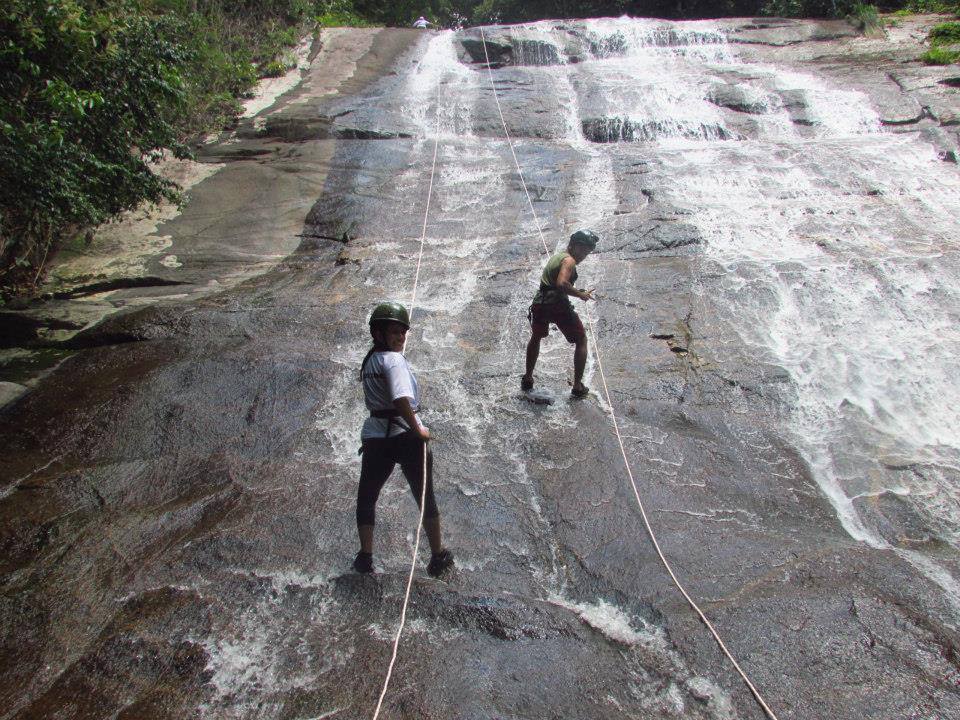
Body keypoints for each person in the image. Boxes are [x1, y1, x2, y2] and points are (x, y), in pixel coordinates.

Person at [354, 301, 454, 577]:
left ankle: (365, 557)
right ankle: (437, 556)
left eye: (403, 333)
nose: (401, 338)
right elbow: (400, 398)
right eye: (395, 332)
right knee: (425, 496)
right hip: (405, 436)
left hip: (376, 437)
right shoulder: (394, 360)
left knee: (367, 497)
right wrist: (417, 429)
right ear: (379, 333)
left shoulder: (371, 359)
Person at [521, 229, 599, 398]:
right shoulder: (569, 261)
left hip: (540, 303)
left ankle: (527, 378)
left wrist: (576, 290)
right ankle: (577, 387)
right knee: (581, 339)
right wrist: (580, 295)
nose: (585, 253)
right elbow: (562, 283)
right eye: (583, 248)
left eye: (588, 250)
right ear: (573, 245)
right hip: (557, 305)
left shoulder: (558, 257)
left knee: (536, 337)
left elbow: (555, 282)